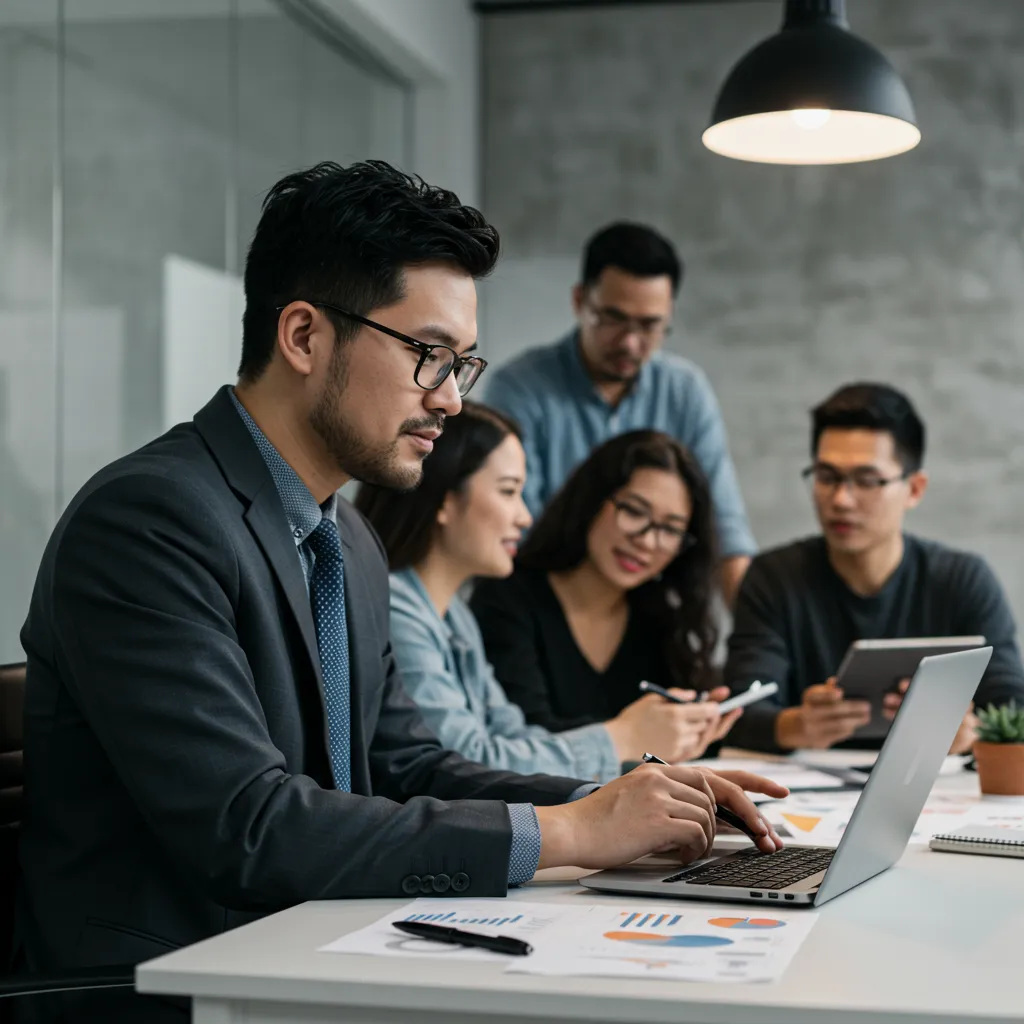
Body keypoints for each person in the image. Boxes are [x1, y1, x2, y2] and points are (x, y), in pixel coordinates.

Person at [18, 161, 784, 1022]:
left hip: (317, 951)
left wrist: (612, 803)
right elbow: (246, 825)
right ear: (304, 337)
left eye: (463, 364)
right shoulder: (149, 520)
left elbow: (409, 765)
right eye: (429, 356)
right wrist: (572, 836)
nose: (453, 400)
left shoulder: (348, 538)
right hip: (174, 984)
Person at [357, 405, 733, 782]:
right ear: (445, 499)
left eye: (670, 529)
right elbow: (465, 763)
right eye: (508, 491)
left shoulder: (454, 615)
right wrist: (623, 737)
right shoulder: (399, 612)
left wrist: (646, 767)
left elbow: (513, 736)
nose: (524, 516)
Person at [724, 382, 1024, 754]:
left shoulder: (963, 580)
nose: (841, 500)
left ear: (914, 489)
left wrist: (969, 733)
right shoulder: (773, 578)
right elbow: (737, 709)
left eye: (867, 481)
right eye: (827, 477)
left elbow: (1013, 706)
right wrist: (796, 725)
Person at [484, 221, 756, 604]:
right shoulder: (520, 388)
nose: (630, 343)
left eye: (649, 326)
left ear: (669, 315)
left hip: (657, 610)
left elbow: (725, 530)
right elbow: (513, 531)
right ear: (580, 301)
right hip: (547, 604)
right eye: (612, 319)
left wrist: (755, 644)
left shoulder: (685, 392)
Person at [471, 429, 739, 759]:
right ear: (592, 501)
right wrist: (639, 735)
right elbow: (523, 741)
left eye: (670, 529)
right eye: (635, 511)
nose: (647, 541)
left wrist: (695, 726)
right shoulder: (507, 597)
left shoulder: (661, 616)